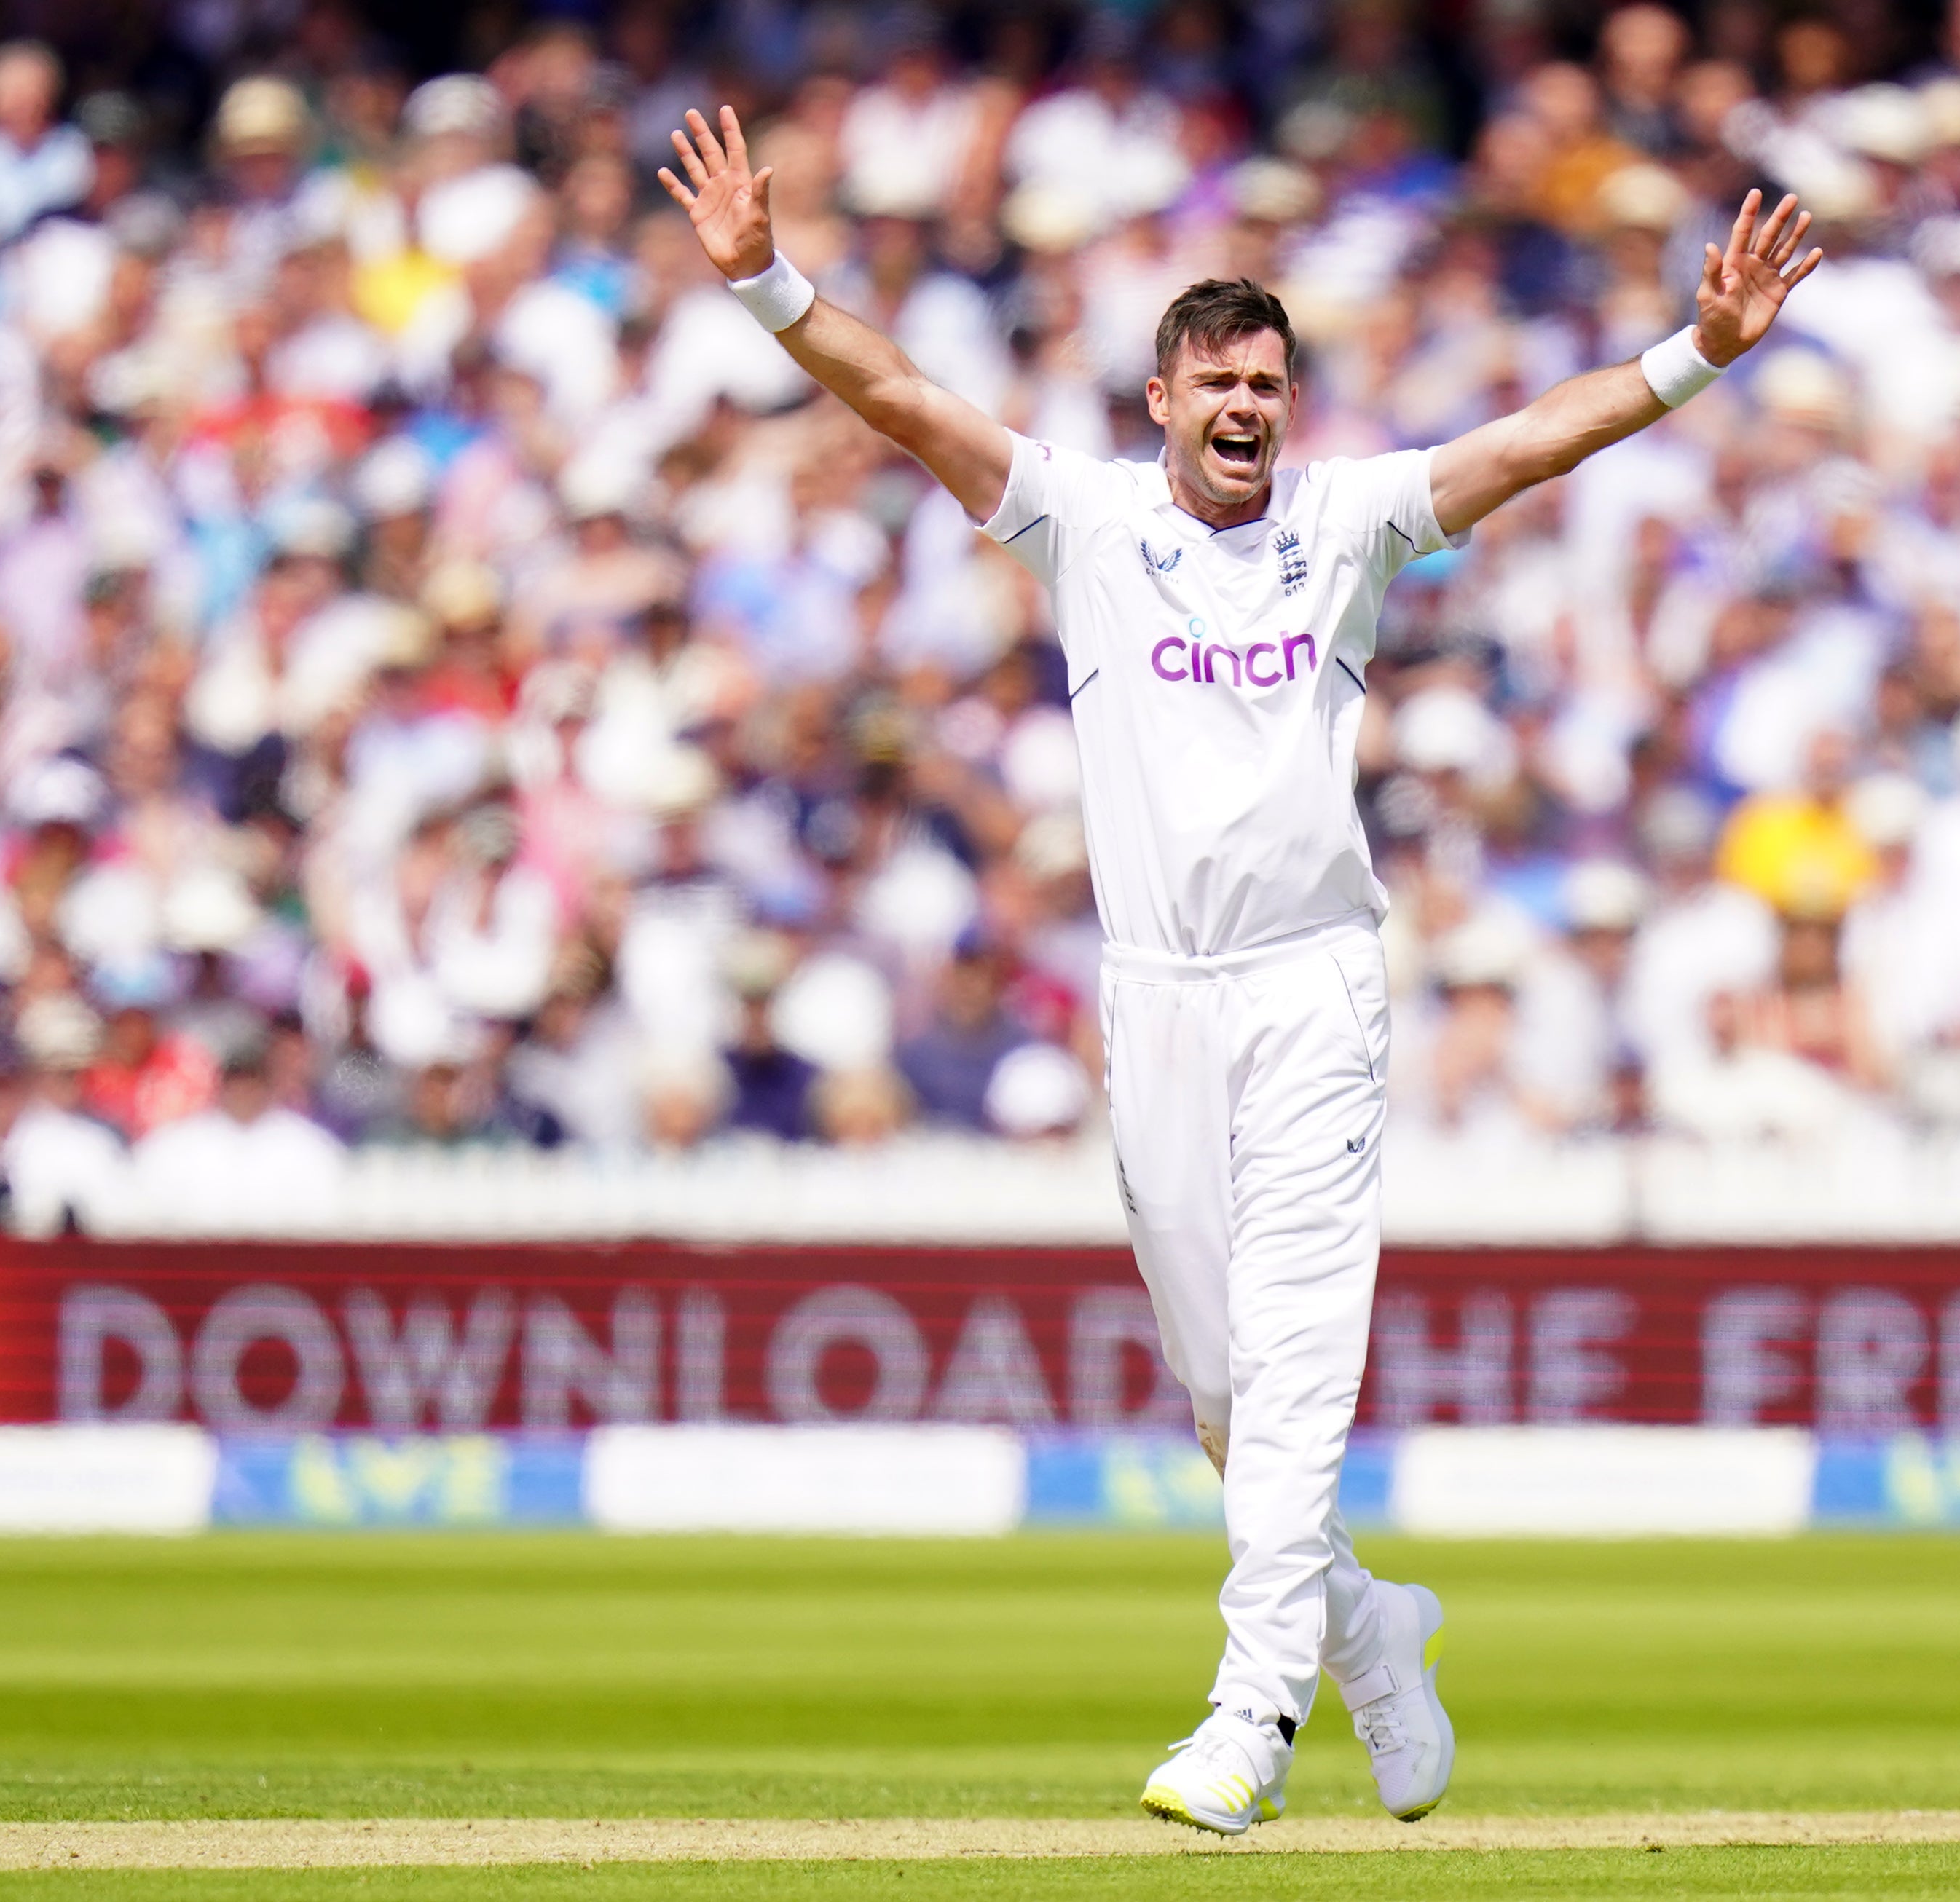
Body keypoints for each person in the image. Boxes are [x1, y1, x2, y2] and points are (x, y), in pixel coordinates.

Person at [661, 101, 1819, 1835]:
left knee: (1291, 1380)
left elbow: (1524, 444)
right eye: (1214, 386)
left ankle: (1246, 1722)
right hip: (1155, 997)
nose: (1242, 411)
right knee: (1224, 1409)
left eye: (1267, 386)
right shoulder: (1086, 525)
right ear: (1160, 401)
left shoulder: (1344, 522)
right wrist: (767, 284)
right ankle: (1369, 1632)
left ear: (1291, 400)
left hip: (1307, 989)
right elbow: (902, 399)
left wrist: (1695, 356)